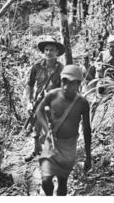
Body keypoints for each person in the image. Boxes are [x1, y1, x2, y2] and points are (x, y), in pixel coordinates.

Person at [35, 65, 92, 196]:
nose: (66, 86)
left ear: (78, 84)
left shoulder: (82, 103)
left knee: (62, 182)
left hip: (69, 146)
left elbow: (87, 129)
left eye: (71, 83)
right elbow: (39, 111)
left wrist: (88, 156)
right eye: (64, 82)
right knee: (46, 180)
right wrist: (46, 130)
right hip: (51, 143)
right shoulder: (52, 95)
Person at [24, 36, 65, 162]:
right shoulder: (37, 66)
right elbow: (30, 85)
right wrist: (29, 102)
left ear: (57, 52)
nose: (48, 52)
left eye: (51, 50)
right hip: (38, 102)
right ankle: (36, 150)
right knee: (36, 128)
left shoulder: (61, 68)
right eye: (46, 50)